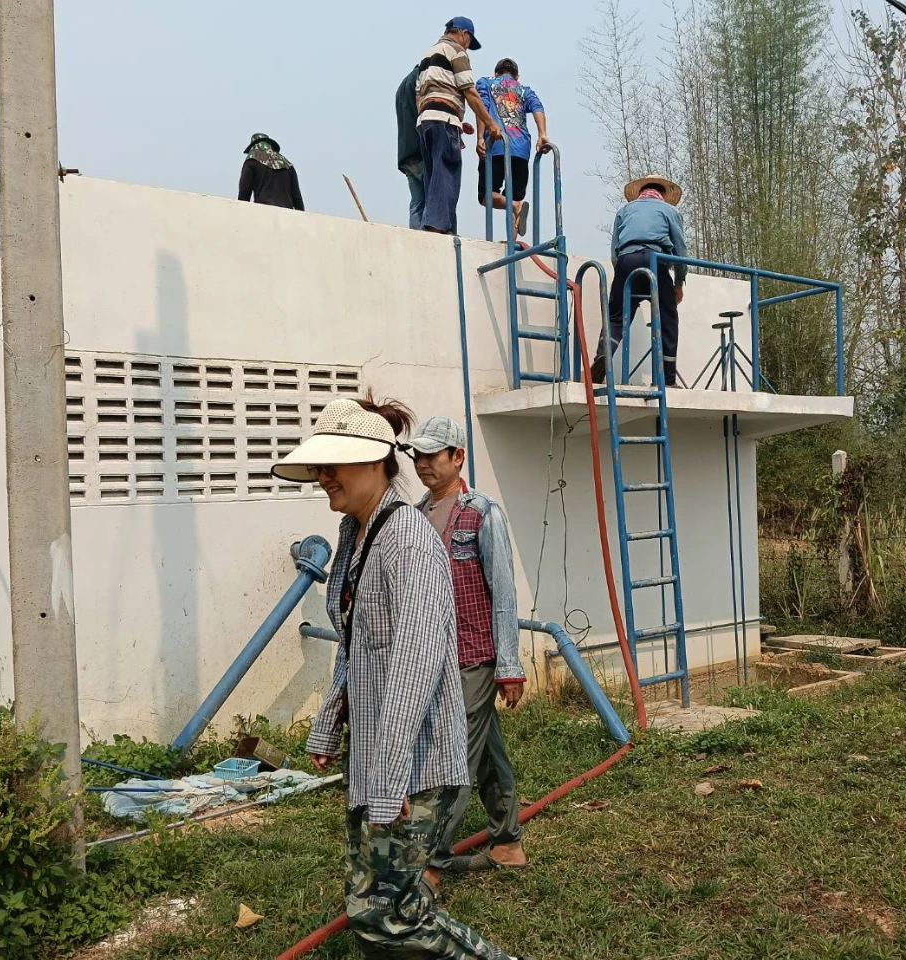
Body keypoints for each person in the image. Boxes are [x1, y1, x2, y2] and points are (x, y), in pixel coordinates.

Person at [272, 396, 530, 960]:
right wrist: (328, 724)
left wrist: (389, 781)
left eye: (331, 465)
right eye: (317, 467)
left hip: (411, 764)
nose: (322, 478)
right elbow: (357, 643)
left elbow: (412, 665)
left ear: (372, 462)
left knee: (382, 914)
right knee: (386, 906)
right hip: (378, 754)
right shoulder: (355, 533)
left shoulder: (408, 539)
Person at [407, 416, 528, 891]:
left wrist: (509, 665)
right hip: (435, 657)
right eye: (416, 456)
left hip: (473, 656)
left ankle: (431, 864)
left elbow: (503, 592)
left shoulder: (482, 513)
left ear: (457, 457)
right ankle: (507, 841)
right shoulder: (416, 515)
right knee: (488, 749)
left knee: (451, 757)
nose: (422, 465)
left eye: (432, 456)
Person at [589, 176, 689, 388]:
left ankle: (602, 355)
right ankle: (666, 379)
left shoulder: (624, 211)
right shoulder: (670, 211)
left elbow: (615, 250)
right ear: (662, 194)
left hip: (627, 261)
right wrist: (679, 282)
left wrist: (622, 275)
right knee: (667, 318)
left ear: (641, 192)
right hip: (656, 261)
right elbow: (680, 250)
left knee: (616, 317)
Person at [415, 17, 504, 234]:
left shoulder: (428, 54)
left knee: (433, 175)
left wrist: (455, 118)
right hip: (443, 120)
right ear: (463, 33)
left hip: (426, 120)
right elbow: (470, 91)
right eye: (469, 41)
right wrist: (490, 123)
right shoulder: (456, 51)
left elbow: (419, 95)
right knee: (447, 171)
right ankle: (438, 228)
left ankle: (442, 227)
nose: (468, 47)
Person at [475, 58, 550, 237]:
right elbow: (538, 107)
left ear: (496, 73)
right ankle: (512, 244)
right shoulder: (524, 90)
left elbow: (482, 108)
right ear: (517, 76)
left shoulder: (486, 83)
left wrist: (479, 137)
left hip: (497, 145)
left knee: (486, 196)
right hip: (521, 149)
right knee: (516, 199)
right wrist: (542, 134)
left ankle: (513, 206)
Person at [237, 133, 304, 211]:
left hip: (264, 212)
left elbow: (244, 193)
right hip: (286, 215)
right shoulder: (288, 165)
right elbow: (297, 198)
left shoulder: (251, 161)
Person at [396, 64, 427, 230]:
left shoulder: (402, 85)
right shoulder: (419, 80)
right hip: (418, 149)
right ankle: (430, 238)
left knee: (416, 202)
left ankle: (416, 237)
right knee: (434, 194)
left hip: (405, 152)